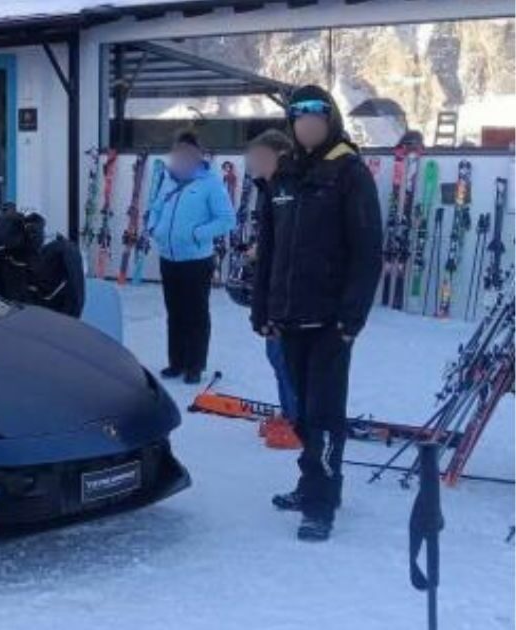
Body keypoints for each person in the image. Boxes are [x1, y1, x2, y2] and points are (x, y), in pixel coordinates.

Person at [251, 85, 383, 542]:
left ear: (330, 119)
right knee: (302, 414)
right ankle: (313, 483)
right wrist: (261, 307)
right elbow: (269, 248)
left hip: (330, 322)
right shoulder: (284, 174)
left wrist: (351, 320)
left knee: (324, 414)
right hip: (288, 317)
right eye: (298, 115)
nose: (306, 122)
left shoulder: (348, 172)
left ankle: (322, 503)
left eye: (315, 114)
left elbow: (368, 251)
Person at [146, 128, 235, 384]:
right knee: (174, 312)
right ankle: (176, 363)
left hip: (197, 261)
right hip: (168, 258)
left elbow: (227, 219)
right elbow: (155, 207)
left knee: (196, 313)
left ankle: (195, 365)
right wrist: (154, 228)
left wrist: (198, 234)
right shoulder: (167, 179)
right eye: (179, 152)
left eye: (188, 152)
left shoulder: (210, 183)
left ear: (197, 155)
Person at [243, 129, 300, 449]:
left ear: (279, 155)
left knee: (286, 359)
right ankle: (288, 414)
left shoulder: (290, 189)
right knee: (275, 355)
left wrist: (265, 251)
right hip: (271, 288)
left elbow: (294, 240)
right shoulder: (269, 189)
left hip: (289, 292)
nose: (253, 164)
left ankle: (298, 421)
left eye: (259, 157)